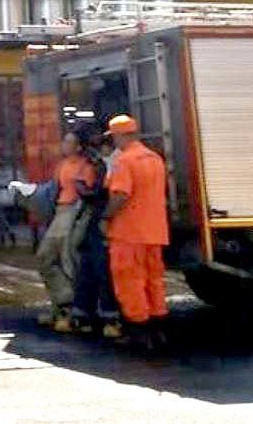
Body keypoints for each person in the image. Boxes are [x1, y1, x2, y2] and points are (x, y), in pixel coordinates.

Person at [100, 114, 169, 350]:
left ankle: (139, 332)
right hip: (155, 231)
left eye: (114, 137)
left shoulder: (124, 161)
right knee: (154, 281)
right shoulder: (155, 159)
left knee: (130, 282)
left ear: (119, 135)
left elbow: (120, 194)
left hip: (128, 233)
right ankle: (158, 329)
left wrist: (105, 216)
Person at [36, 127, 98, 332]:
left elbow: (88, 194)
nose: (64, 145)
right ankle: (63, 302)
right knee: (45, 257)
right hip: (61, 212)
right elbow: (54, 189)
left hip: (74, 212)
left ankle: (69, 308)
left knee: (67, 259)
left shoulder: (86, 166)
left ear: (78, 146)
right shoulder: (62, 165)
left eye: (69, 141)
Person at [68, 133, 121, 337]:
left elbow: (110, 193)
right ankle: (86, 313)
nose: (95, 151)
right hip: (97, 218)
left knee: (100, 267)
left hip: (102, 218)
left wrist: (87, 191)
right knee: (90, 265)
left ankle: (109, 316)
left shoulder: (116, 163)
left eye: (98, 146)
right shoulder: (106, 163)